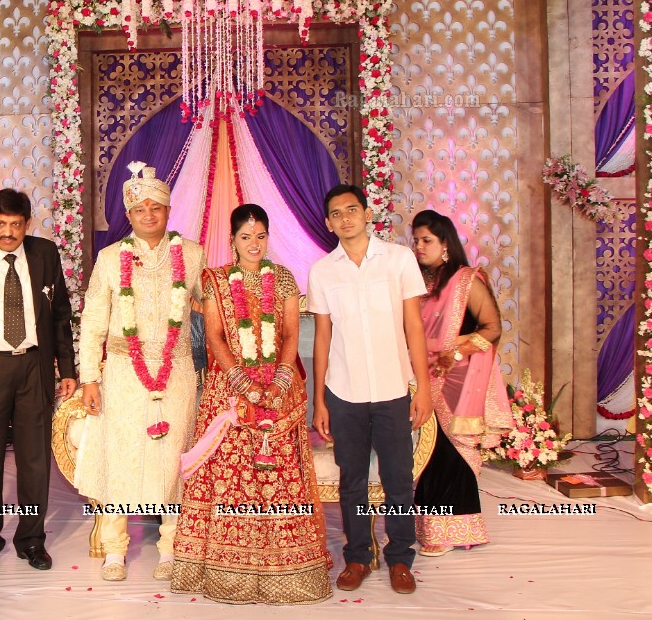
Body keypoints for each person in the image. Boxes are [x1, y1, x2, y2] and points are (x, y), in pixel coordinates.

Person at [172, 204, 332, 605]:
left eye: (260, 236)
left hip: (280, 390)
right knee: (230, 474)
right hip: (230, 391)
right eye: (246, 237)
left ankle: (286, 564)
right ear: (232, 239)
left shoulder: (282, 278)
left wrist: (279, 379)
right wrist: (241, 380)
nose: (254, 244)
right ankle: (227, 566)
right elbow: (214, 336)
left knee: (280, 478)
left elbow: (292, 334)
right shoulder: (216, 281)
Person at [74, 163, 206, 582]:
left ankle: (170, 545)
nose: (149, 215)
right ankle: (115, 549)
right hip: (124, 373)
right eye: (140, 209)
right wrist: (89, 378)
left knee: (173, 457)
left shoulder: (194, 254)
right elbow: (93, 320)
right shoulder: (111, 259)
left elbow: (211, 307)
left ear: (169, 211)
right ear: (128, 216)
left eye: (157, 207)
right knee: (121, 456)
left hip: (177, 370)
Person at [309, 184, 432, 596]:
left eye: (352, 210)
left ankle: (400, 558)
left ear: (366, 214)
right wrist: (320, 400)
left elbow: (414, 327)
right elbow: (322, 337)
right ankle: (358, 555)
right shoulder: (323, 270)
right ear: (329, 223)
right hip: (344, 393)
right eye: (337, 214)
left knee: (399, 478)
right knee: (352, 481)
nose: (345, 219)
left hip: (393, 388)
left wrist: (424, 387)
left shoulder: (398, 261)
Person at [0, 188, 77, 575]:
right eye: (0, 224)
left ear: (28, 224)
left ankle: (31, 540)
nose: (8, 232)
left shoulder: (44, 253)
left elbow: (60, 314)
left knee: (35, 462)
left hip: (33, 367)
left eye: (16, 224)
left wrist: (68, 369)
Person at [410, 209, 513, 556]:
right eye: (416, 240)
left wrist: (453, 353)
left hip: (458, 380)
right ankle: (430, 527)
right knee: (428, 452)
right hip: (423, 378)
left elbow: (492, 328)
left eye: (426, 240)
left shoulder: (468, 280)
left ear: (446, 245)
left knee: (451, 453)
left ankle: (455, 529)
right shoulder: (421, 285)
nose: (419, 246)